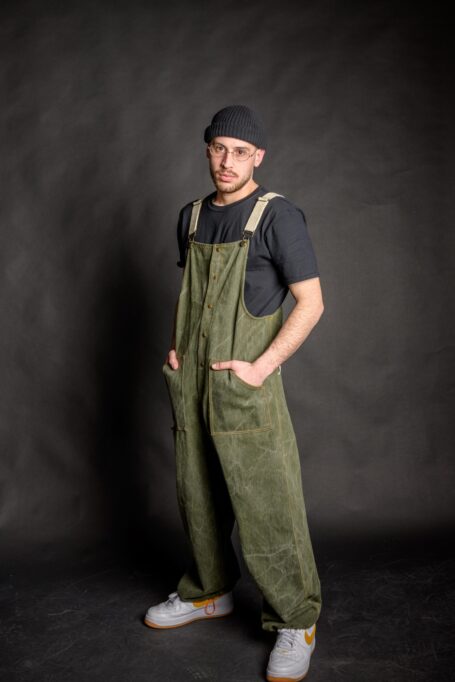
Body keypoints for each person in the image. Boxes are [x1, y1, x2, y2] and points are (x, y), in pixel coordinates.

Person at [145, 105, 324, 682]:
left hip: (244, 385)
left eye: (240, 152)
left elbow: (312, 302)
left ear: (259, 157)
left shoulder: (278, 216)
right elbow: (190, 293)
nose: (228, 162)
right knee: (196, 492)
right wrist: (178, 350)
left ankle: (296, 619)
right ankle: (208, 592)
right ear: (207, 151)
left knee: (267, 503)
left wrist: (262, 366)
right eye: (219, 149)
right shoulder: (191, 216)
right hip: (192, 380)